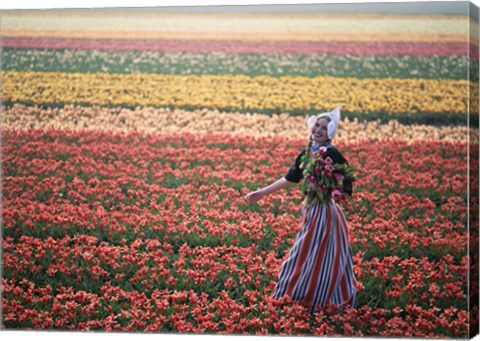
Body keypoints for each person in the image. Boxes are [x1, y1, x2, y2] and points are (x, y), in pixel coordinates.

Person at [245, 107, 357, 314]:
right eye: (317, 125)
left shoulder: (331, 153)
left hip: (325, 212)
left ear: (330, 132)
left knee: (313, 253)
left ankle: (312, 297)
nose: (319, 130)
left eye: (324, 127)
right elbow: (291, 177)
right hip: (311, 209)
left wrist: (330, 192)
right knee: (310, 253)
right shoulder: (307, 152)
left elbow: (347, 183)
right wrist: (261, 192)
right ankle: (301, 295)